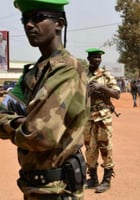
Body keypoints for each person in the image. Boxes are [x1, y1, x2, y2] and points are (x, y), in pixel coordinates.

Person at [0, 0, 88, 199]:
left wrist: (19, 123)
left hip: (57, 190)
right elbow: (3, 111)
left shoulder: (67, 69)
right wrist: (23, 123)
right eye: (25, 19)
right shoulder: (33, 74)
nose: (29, 24)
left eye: (38, 17)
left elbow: (39, 135)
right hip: (34, 187)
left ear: (60, 23)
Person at [84, 48, 121, 193]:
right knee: (89, 148)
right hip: (87, 116)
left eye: (99, 57)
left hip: (103, 116)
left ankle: (106, 180)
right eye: (94, 57)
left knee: (105, 147)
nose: (97, 60)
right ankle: (93, 178)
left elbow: (117, 94)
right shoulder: (82, 76)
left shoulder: (106, 76)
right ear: (88, 59)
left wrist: (101, 87)